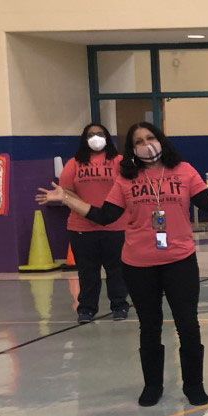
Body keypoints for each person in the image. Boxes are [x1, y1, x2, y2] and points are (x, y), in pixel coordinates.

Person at [36, 122, 208, 407]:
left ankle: (194, 385)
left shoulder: (184, 171)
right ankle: (152, 385)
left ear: (161, 140)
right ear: (132, 149)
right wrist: (67, 199)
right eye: (139, 141)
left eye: (150, 138)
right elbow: (104, 215)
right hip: (138, 264)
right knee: (149, 326)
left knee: (188, 326)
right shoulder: (125, 179)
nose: (146, 144)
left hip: (179, 261)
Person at [58, 123, 130, 323]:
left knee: (117, 269)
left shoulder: (119, 162)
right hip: (82, 226)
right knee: (87, 271)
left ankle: (119, 306)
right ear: (84, 138)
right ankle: (87, 309)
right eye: (91, 135)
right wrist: (85, 208)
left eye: (99, 134)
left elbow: (127, 187)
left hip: (116, 225)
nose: (95, 138)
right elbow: (65, 190)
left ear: (107, 137)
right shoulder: (74, 163)